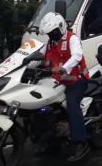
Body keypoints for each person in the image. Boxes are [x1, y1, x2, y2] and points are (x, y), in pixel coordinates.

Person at [38, 12, 90, 161]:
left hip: (77, 80)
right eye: (49, 33)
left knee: (72, 104)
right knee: (46, 107)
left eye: (53, 32)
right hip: (58, 81)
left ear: (61, 27)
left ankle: (81, 143)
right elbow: (39, 55)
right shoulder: (50, 42)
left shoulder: (72, 38)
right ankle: (52, 143)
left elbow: (77, 56)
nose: (51, 35)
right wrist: (26, 62)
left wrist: (64, 68)